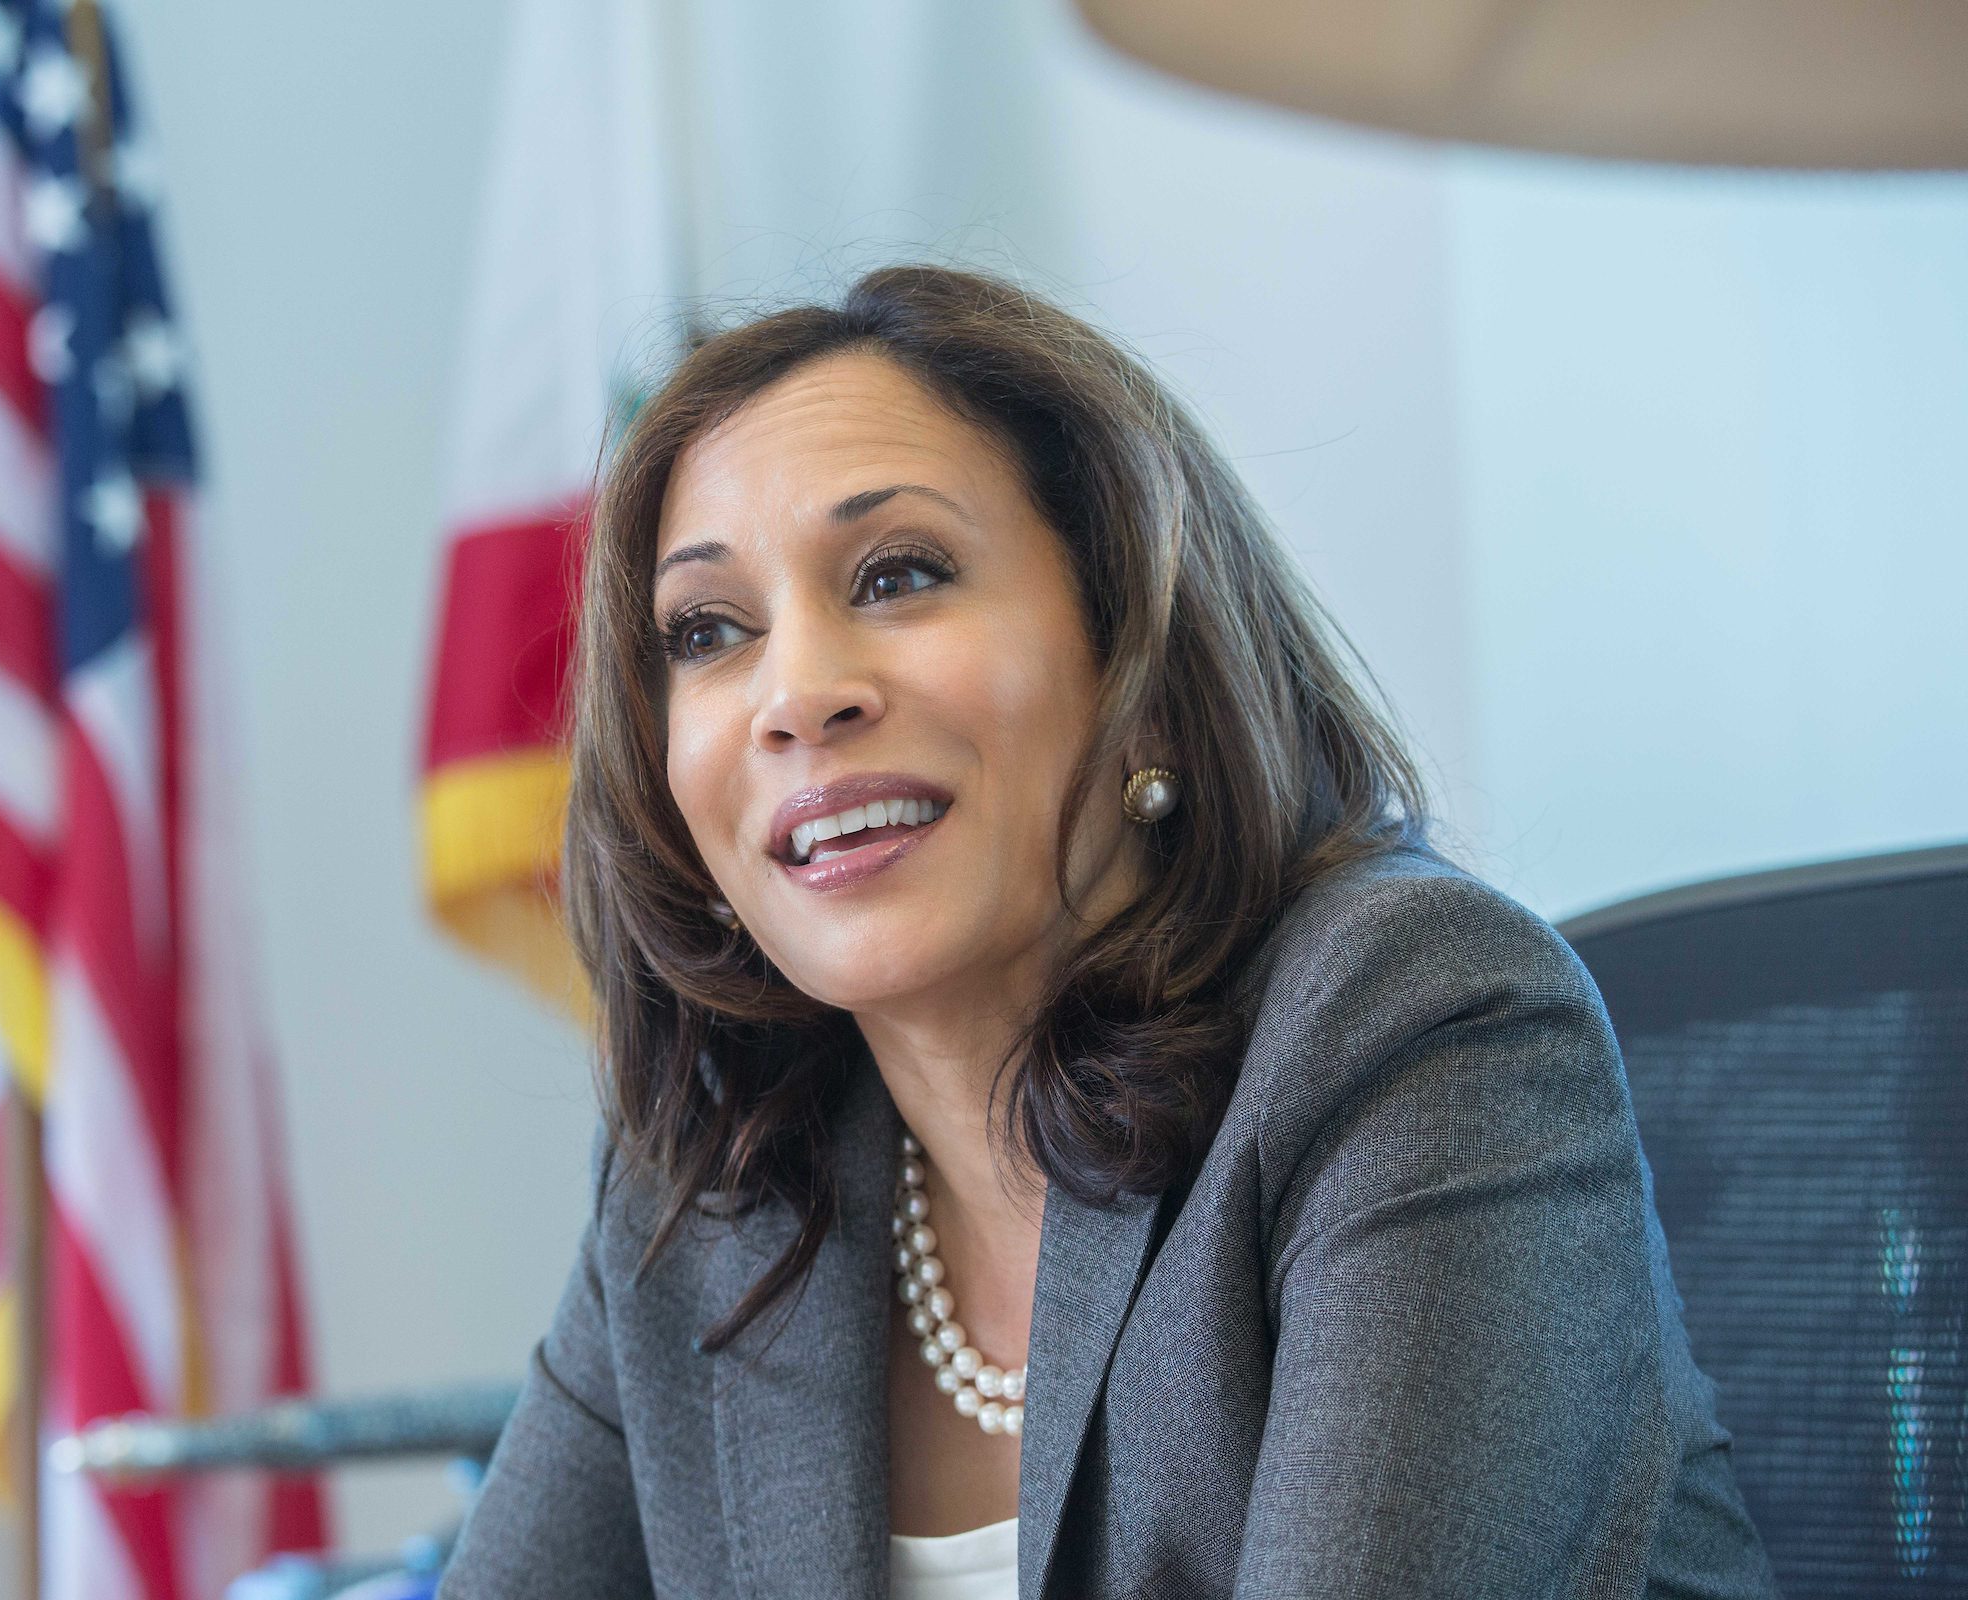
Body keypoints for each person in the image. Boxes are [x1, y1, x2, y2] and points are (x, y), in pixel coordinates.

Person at [436, 265, 1781, 1598]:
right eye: (710, 630)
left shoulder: (1415, 1027)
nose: (796, 695)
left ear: (1139, 658)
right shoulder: (713, 1174)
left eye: (899, 573)